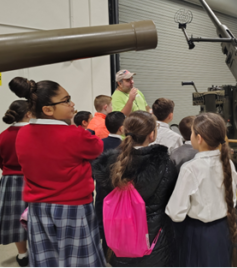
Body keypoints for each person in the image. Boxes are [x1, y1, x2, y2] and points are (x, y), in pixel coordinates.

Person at [10, 77, 105, 267]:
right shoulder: (75, 134)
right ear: (48, 110)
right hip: (73, 207)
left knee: (47, 259)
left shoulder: (23, 134)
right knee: (79, 259)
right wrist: (71, 125)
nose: (72, 104)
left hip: (38, 207)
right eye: (66, 100)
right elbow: (97, 147)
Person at [93, 111, 178, 267]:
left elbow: (103, 200)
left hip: (119, 240)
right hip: (154, 241)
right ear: (152, 135)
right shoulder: (163, 164)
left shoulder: (109, 164)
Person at [165, 113, 237, 267]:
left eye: (192, 132)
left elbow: (175, 213)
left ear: (199, 138)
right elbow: (232, 200)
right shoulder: (228, 164)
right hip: (225, 229)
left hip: (200, 235)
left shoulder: (190, 169)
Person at [0, 100, 32, 267]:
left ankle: (22, 254)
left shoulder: (3, 135)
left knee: (16, 219)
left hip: (10, 181)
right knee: (36, 217)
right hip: (34, 178)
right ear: (28, 114)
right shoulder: (34, 133)